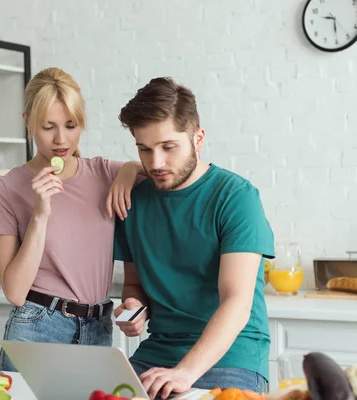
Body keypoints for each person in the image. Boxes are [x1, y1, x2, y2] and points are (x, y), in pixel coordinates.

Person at [113, 77, 275, 398]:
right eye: (144, 149)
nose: (155, 162)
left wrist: (185, 372)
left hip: (232, 357)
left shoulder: (236, 197)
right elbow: (133, 285)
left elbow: (237, 302)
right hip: (157, 354)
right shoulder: (134, 201)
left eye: (168, 147)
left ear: (198, 139)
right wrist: (132, 306)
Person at [0, 67, 146, 372]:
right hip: (37, 327)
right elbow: (15, 291)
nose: (61, 139)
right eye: (48, 127)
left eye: (71, 125)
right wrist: (40, 214)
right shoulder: (5, 189)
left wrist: (131, 168)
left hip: (98, 327)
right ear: (27, 121)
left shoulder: (105, 173)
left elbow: (166, 173)